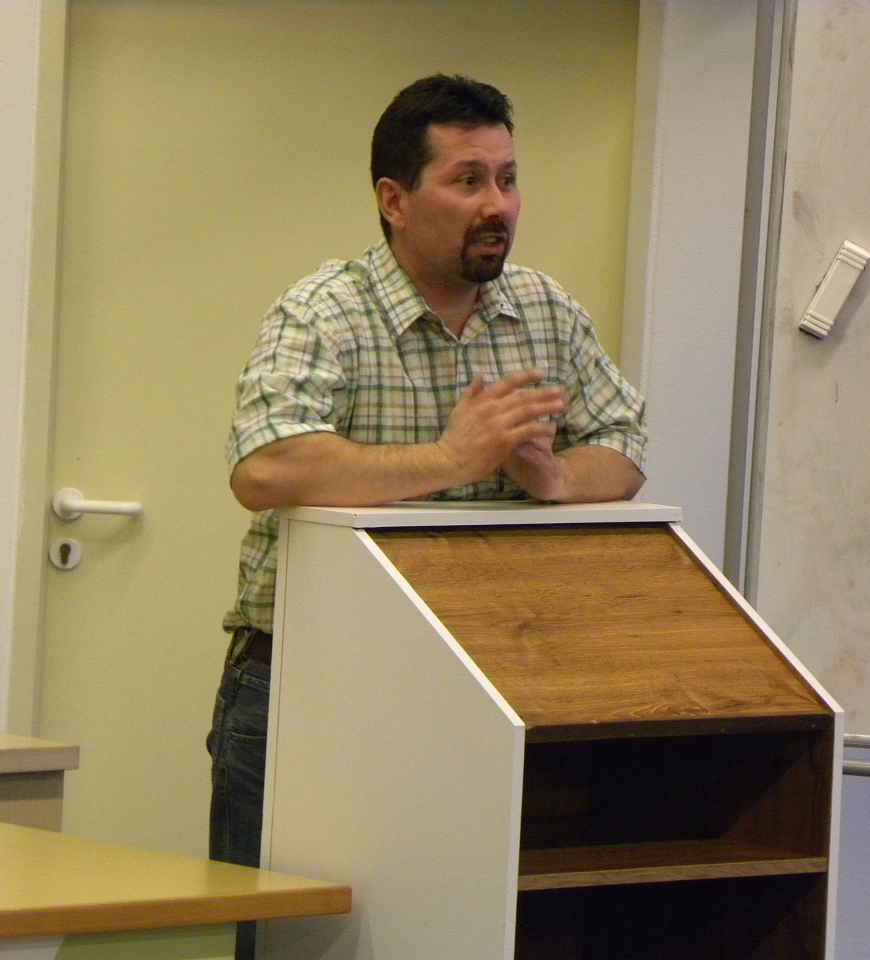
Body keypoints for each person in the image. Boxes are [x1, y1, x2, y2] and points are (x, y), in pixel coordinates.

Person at [206, 73, 646, 957]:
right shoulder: (325, 312)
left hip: (493, 691)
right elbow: (265, 466)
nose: (498, 206)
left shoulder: (545, 312)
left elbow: (624, 450)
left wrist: (555, 480)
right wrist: (451, 460)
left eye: (508, 179)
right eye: (468, 180)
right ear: (394, 200)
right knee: (295, 941)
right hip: (312, 689)